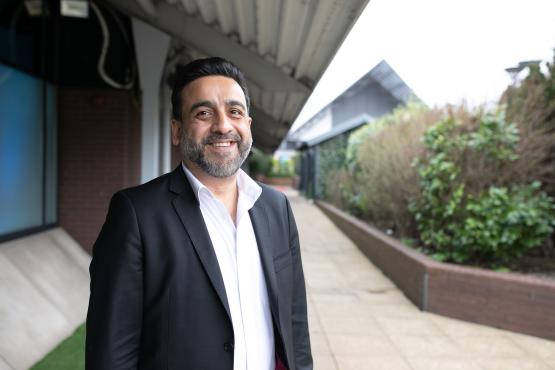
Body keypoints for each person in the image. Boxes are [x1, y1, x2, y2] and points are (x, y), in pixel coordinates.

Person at [85, 57, 312, 370]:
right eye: (204, 113)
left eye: (235, 111)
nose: (222, 125)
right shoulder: (136, 214)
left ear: (248, 125)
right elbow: (111, 352)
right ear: (177, 130)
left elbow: (295, 320)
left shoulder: (277, 208)